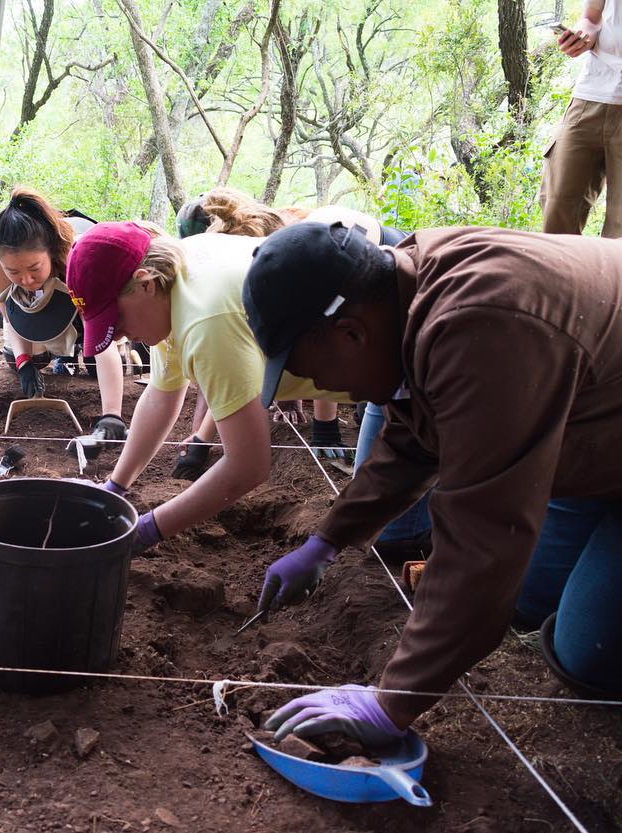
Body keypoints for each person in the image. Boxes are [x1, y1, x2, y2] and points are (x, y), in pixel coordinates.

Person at [241, 221, 622, 745]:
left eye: (314, 371)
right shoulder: (404, 286)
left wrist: (390, 705)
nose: (325, 388)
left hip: (596, 435)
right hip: (595, 424)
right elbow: (415, 437)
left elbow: (483, 542)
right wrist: (327, 539)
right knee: (529, 603)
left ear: (351, 332)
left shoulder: (482, 325)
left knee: (587, 653)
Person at [65, 221, 348, 552]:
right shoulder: (170, 279)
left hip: (397, 360)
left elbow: (248, 465)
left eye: (118, 321)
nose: (121, 335)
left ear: (145, 284)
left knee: (396, 536)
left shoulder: (207, 321)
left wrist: (145, 532)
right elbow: (160, 395)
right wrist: (114, 488)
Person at [170, 191, 357, 480]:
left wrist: (325, 428)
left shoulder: (295, 249)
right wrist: (200, 440)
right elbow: (226, 378)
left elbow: (321, 336)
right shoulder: (223, 277)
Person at [0, 187, 127, 452]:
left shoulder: (77, 258)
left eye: (34, 268)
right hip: (37, 309)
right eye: (14, 272)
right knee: (28, 362)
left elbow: (102, 341)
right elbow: (13, 319)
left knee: (96, 365)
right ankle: (45, 355)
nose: (26, 280)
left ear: (49, 252)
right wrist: (23, 360)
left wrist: (111, 415)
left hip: (77, 296)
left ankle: (72, 354)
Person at [539, 0, 622, 237]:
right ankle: (559, 275)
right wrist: (582, 36)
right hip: (588, 97)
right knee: (557, 212)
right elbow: (593, 16)